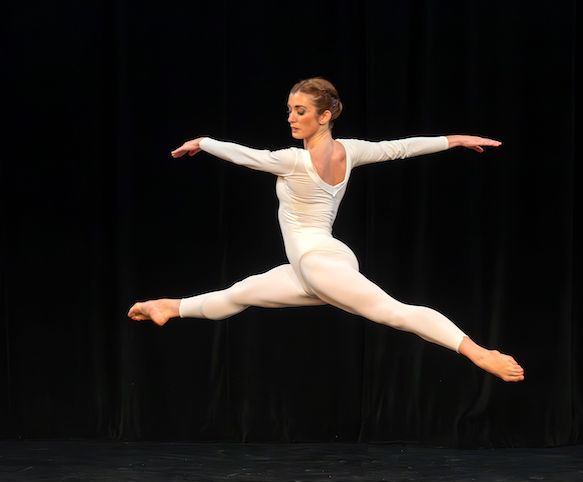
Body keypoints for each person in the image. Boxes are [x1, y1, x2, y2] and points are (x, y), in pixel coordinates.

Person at [128, 77, 524, 383]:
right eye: (288, 110)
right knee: (241, 293)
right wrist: (453, 140)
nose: (291, 118)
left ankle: (477, 352)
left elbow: (249, 157)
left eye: (300, 110)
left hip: (318, 263)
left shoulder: (293, 161)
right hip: (320, 260)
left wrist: (204, 141)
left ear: (325, 116)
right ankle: (168, 307)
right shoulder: (349, 151)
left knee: (393, 312)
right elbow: (400, 147)